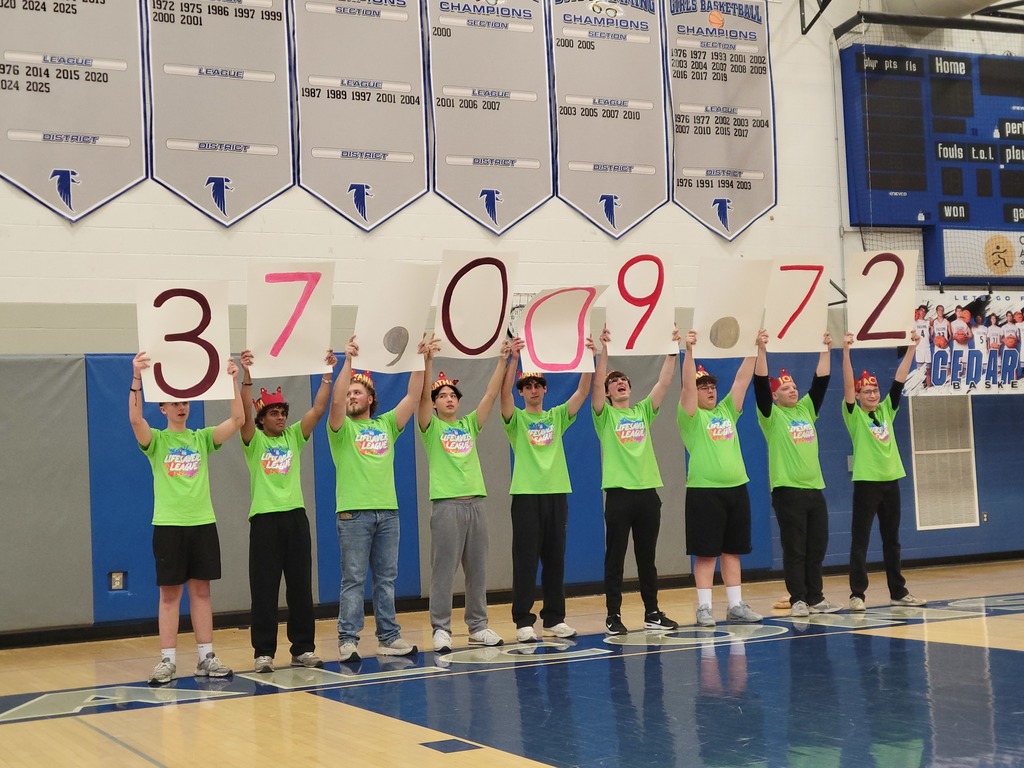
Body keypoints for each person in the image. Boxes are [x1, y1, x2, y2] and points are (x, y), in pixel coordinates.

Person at [128, 350, 247, 686]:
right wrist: (137, 377)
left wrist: (232, 380)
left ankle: (206, 656)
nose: (181, 406)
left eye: (185, 402)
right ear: (163, 408)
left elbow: (238, 421)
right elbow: (136, 420)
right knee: (169, 595)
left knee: (202, 592)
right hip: (168, 526)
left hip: (202, 523)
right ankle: (167, 661)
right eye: (173, 402)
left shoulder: (201, 438)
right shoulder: (158, 441)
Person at [328, 334, 429, 661]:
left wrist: (419, 359)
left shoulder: (386, 424)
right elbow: (334, 403)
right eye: (349, 393)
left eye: (358, 392)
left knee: (386, 579)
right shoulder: (341, 431)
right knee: (354, 578)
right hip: (353, 514)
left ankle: (388, 637)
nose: (351, 396)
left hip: (388, 512)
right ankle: (348, 639)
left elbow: (413, 397)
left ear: (371, 399)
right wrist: (349, 362)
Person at [239, 350, 336, 673]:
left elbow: (319, 409)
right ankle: (264, 652)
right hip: (265, 520)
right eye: (274, 413)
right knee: (264, 588)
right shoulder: (254, 443)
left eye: (283, 412)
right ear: (262, 418)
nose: (280, 417)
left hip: (295, 518)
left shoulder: (294, 436)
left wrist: (326, 374)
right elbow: (241, 412)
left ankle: (303, 648)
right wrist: (247, 376)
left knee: (299, 586)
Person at [500, 336, 594, 642]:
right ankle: (524, 621)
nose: (533, 390)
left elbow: (582, 392)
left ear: (544, 389)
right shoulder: (516, 420)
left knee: (556, 558)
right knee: (525, 559)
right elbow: (502, 397)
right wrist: (512, 360)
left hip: (556, 494)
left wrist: (589, 358)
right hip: (526, 495)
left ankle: (555, 619)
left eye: (537, 385)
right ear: (522, 392)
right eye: (527, 387)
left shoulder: (556, 417)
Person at [418, 339, 508, 653]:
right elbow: (421, 399)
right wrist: (428, 361)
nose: (448, 399)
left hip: (475, 504)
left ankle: (478, 626)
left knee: (478, 570)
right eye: (441, 395)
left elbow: (491, 394)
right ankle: (441, 629)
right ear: (435, 403)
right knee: (443, 570)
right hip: (447, 506)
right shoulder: (431, 428)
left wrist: (502, 360)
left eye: (452, 395)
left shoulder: (469, 425)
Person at [592, 324, 680, 635]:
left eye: (623, 380)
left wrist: (672, 349)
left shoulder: (643, 411)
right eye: (613, 382)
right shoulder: (604, 416)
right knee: (615, 558)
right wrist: (603, 352)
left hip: (647, 495)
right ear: (607, 391)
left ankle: (652, 613)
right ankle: (613, 616)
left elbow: (665, 382)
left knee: (648, 558)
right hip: (618, 496)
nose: (619, 383)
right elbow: (595, 390)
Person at [678, 329, 762, 627]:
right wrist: (689, 351)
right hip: (704, 492)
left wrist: (754, 346)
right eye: (704, 387)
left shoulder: (727, 410)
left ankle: (736, 605)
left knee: (732, 550)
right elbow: (687, 386)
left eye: (712, 385)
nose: (710, 390)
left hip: (736, 488)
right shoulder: (690, 416)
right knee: (706, 554)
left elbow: (742, 380)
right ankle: (704, 608)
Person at [754, 331, 841, 618]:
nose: (793, 390)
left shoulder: (806, 409)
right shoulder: (772, 416)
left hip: (814, 488)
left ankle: (816, 597)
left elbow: (821, 382)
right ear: (776, 396)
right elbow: (759, 386)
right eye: (786, 388)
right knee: (795, 548)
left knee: (817, 547)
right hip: (787, 490)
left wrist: (825, 348)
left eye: (793, 386)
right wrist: (762, 351)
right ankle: (798, 599)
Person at [842, 331, 927, 610]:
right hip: (867, 482)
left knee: (892, 540)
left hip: (892, 481)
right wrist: (845, 352)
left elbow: (900, 379)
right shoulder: (853, 415)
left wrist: (912, 348)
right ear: (858, 395)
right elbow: (846, 385)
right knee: (861, 540)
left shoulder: (887, 409)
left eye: (875, 390)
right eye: (867, 391)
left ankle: (898, 592)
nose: (873, 394)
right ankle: (857, 595)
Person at [913, 306, 931, 387]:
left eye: (924, 311)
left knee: (928, 370)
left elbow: (932, 334)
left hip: (927, 348)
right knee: (920, 371)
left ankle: (929, 386)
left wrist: (932, 323)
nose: (923, 312)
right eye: (921, 310)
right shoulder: (914, 322)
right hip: (919, 348)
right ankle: (921, 387)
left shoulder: (928, 323)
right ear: (918, 311)